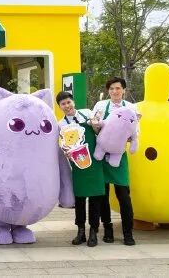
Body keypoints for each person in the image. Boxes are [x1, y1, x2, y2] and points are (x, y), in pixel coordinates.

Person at [56, 91, 105, 247]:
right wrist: (66, 153)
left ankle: (94, 231)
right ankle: (81, 231)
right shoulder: (61, 125)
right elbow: (62, 145)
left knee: (95, 198)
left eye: (68, 102)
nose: (67, 106)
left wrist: (96, 126)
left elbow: (99, 133)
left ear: (73, 102)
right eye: (63, 104)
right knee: (80, 198)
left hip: (95, 161)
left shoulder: (87, 113)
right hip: (78, 164)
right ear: (60, 107)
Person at [91, 77, 136, 246]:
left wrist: (127, 137)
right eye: (111, 89)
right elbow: (94, 125)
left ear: (124, 90)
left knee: (123, 195)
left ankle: (128, 233)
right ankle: (107, 229)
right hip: (101, 155)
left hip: (119, 155)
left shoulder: (131, 108)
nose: (115, 91)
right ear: (108, 91)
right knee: (102, 194)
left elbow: (135, 131)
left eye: (118, 88)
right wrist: (95, 125)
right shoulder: (100, 106)